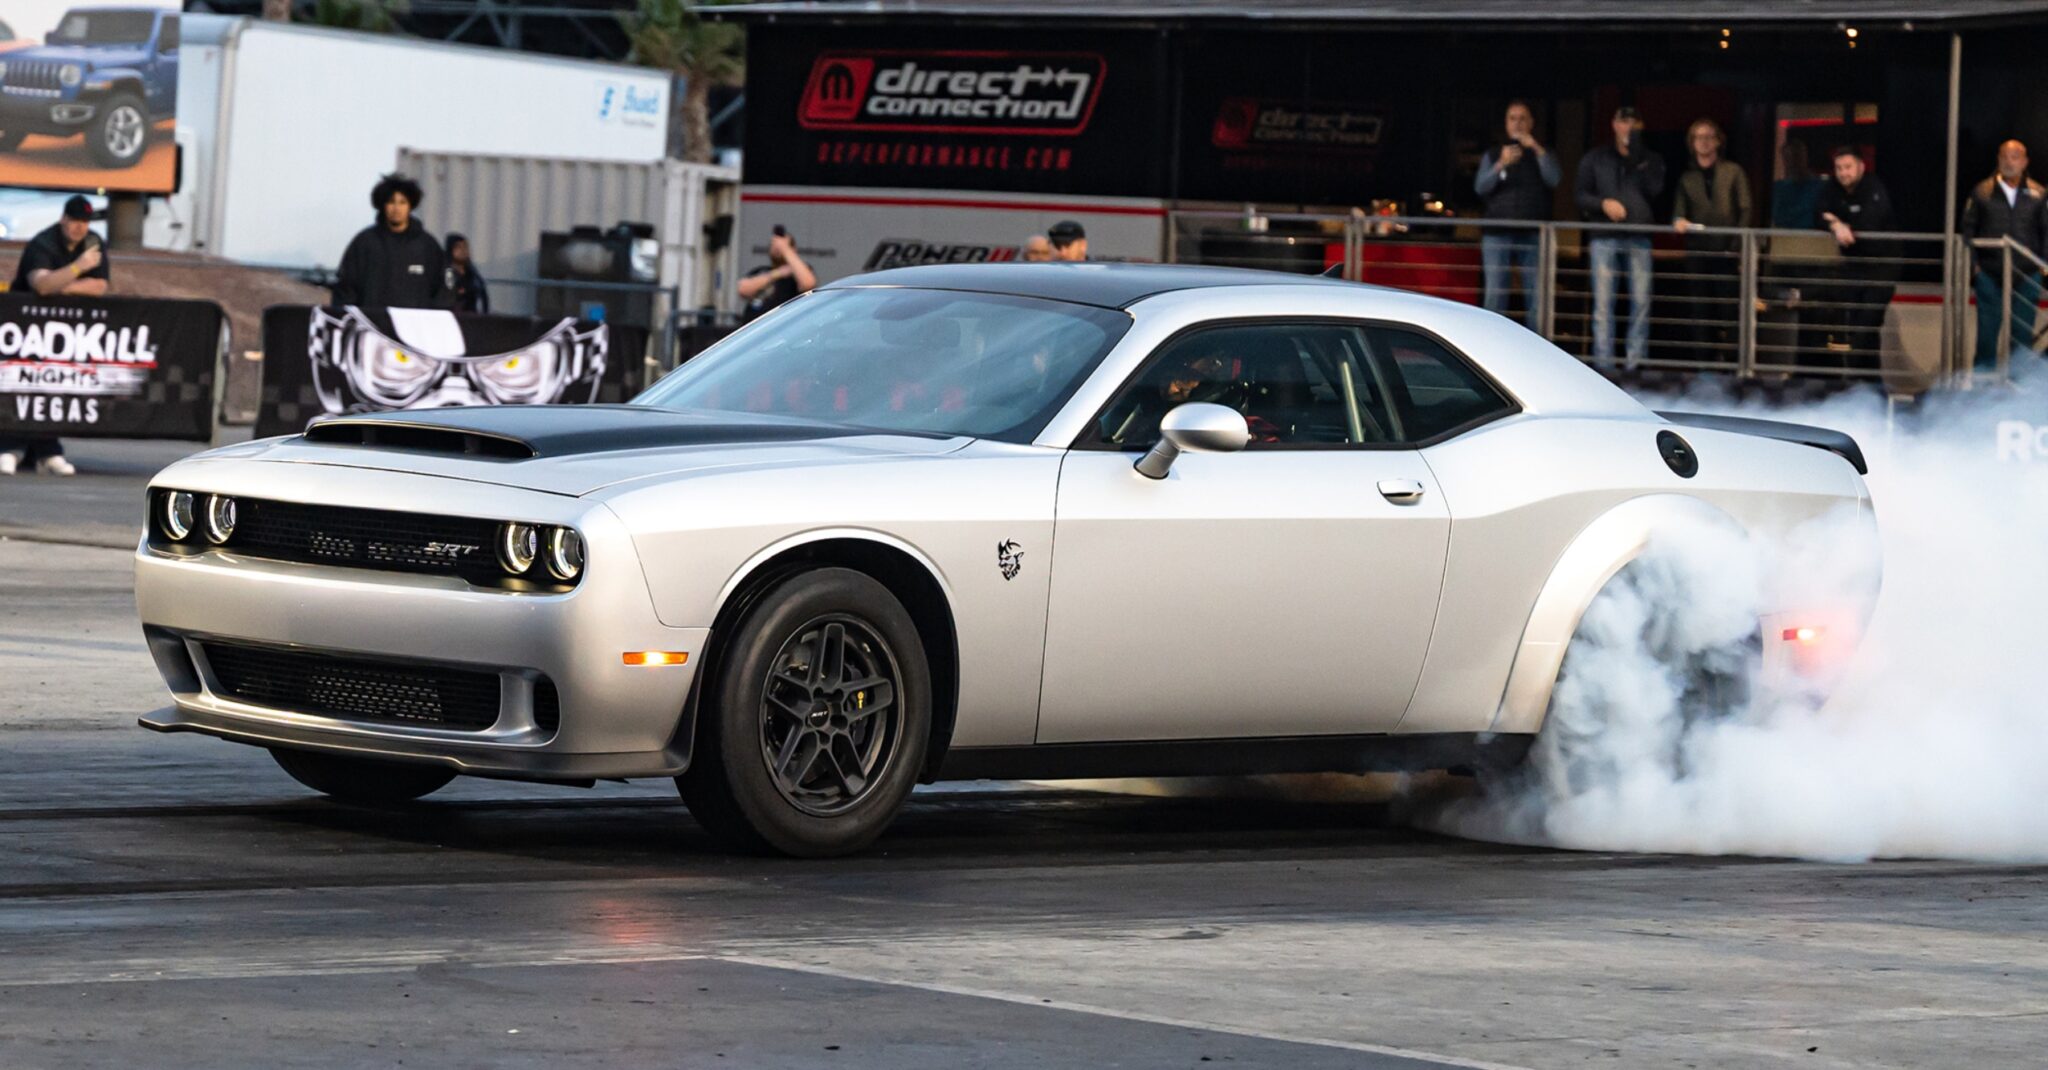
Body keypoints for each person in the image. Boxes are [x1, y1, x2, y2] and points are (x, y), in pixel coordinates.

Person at [0, 194, 104, 476]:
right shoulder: (43, 243)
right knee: (22, 384)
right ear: (64, 219)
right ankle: (8, 447)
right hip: (24, 328)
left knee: (54, 387)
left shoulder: (94, 242)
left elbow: (99, 286)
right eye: (75, 221)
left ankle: (47, 451)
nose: (79, 228)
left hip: (64, 333)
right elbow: (42, 286)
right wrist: (77, 269)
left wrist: (62, 284)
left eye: (84, 222)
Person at [1575, 105, 1666, 369]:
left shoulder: (1651, 159)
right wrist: (1603, 204)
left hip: (1639, 236)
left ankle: (1635, 365)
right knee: (1603, 305)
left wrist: (1636, 157)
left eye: (1634, 122)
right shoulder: (1595, 158)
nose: (1628, 127)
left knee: (1641, 302)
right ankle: (1604, 365)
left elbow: (1655, 190)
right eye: (1623, 121)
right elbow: (1580, 195)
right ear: (1614, 124)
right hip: (1604, 236)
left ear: (1641, 127)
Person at [1960, 139, 2048, 372]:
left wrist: (2043, 267)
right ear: (1998, 160)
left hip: (2027, 274)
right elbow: (1968, 232)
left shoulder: (2039, 194)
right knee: (1987, 333)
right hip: (1989, 274)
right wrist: (1974, 269)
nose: (2010, 161)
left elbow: (2046, 231)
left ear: (2025, 161)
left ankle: (2018, 389)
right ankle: (1982, 389)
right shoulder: (1982, 192)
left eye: (2015, 156)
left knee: (2022, 334)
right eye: (2005, 156)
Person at [1671, 118, 1753, 362]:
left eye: (1708, 137)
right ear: (1692, 143)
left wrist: (1737, 247)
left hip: (1727, 252)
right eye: (1698, 137)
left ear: (1718, 141)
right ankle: (1703, 366)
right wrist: (1678, 221)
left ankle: (1730, 363)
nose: (1704, 142)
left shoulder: (1733, 171)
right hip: (1698, 253)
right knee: (1701, 311)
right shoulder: (1687, 178)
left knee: (1729, 311)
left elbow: (1746, 210)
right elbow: (1678, 213)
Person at [1473, 100, 1560, 321]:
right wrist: (1501, 164)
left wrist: (1536, 148)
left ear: (1531, 123)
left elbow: (1554, 179)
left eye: (1523, 118)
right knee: (1495, 296)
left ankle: (1536, 350)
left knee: (1536, 297)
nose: (1518, 123)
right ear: (1506, 123)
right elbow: (1480, 187)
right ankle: (1490, 348)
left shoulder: (1543, 153)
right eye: (1513, 118)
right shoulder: (1493, 154)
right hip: (1497, 233)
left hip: (1531, 233)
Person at [1815, 147, 1899, 372]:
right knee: (1855, 326)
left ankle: (1856, 379)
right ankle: (1867, 387)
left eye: (1848, 167)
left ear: (1861, 167)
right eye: (1839, 168)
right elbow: (1817, 213)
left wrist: (1842, 221)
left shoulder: (1873, 187)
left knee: (1867, 326)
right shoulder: (1833, 188)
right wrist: (1835, 224)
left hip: (1881, 268)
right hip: (1854, 268)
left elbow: (1867, 224)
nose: (1843, 173)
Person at [332, 173, 451, 309]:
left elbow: (445, 291)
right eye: (391, 202)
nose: (396, 208)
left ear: (410, 206)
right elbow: (345, 289)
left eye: (402, 202)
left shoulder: (427, 246)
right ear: (383, 205)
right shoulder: (364, 243)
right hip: (372, 326)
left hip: (413, 327)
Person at [737, 226, 815, 323]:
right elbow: (743, 289)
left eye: (784, 244)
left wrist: (785, 249)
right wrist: (778, 273)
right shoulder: (761, 271)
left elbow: (808, 283)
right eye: (773, 244)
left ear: (793, 249)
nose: (777, 247)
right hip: (754, 330)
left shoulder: (798, 272)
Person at [445, 233, 490, 314]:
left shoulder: (473, 273)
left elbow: (482, 294)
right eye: (459, 247)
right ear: (451, 250)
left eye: (465, 247)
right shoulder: (447, 272)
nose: (463, 250)